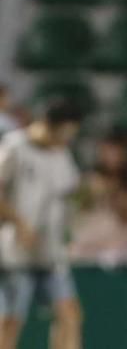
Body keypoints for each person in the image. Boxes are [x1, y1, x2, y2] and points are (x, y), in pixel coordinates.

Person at [0, 99, 84, 349]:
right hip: (14, 252)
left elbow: (71, 194)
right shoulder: (14, 147)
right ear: (53, 126)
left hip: (49, 251)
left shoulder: (62, 155)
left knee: (69, 314)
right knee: (11, 321)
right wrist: (19, 223)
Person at [70, 129, 127, 262]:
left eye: (117, 151)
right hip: (92, 243)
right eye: (108, 150)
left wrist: (113, 195)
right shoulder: (88, 181)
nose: (112, 156)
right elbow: (77, 215)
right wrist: (91, 194)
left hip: (123, 243)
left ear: (126, 153)